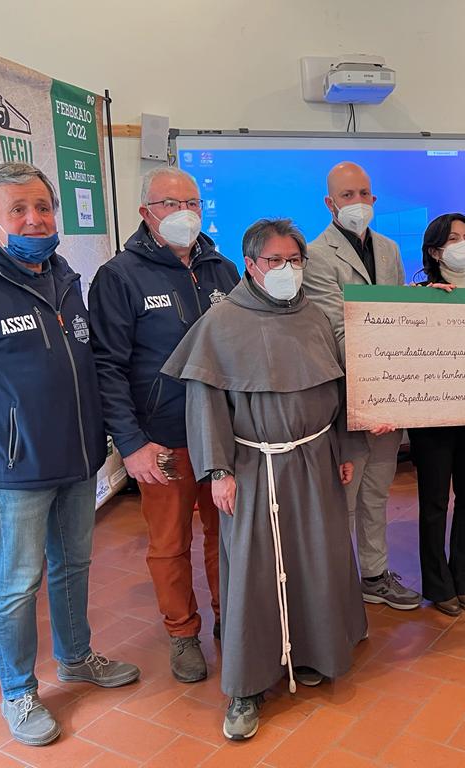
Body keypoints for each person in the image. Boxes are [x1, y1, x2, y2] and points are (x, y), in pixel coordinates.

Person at [0, 162, 139, 746]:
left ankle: (76, 658)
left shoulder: (65, 279)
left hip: (79, 460)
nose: (34, 219)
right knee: (19, 583)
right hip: (17, 470)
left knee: (74, 567)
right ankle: (19, 691)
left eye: (43, 207)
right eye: (18, 209)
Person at [162, 218, 367, 740]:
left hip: (316, 457)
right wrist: (219, 471)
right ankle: (246, 686)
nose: (286, 270)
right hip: (256, 466)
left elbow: (337, 388)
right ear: (250, 264)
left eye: (294, 261)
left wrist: (344, 447)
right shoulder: (221, 323)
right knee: (253, 571)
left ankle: (314, 651)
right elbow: (205, 403)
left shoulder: (315, 316)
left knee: (317, 557)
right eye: (274, 260)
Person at [89, 167, 239, 683]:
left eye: (192, 203)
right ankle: (182, 633)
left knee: (227, 535)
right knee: (170, 544)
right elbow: (107, 367)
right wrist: (131, 444)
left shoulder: (222, 269)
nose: (184, 214)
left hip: (221, 435)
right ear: (145, 213)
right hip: (163, 440)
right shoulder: (119, 276)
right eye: (170, 204)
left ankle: (230, 619)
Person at [303, 162, 421, 611]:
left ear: (374, 198)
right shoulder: (315, 255)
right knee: (345, 498)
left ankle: (374, 574)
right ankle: (334, 587)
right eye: (347, 195)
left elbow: (399, 315)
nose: (358, 202)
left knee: (377, 491)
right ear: (329, 203)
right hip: (349, 398)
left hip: (389, 398)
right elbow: (337, 329)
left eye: (364, 193)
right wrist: (380, 379)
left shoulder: (390, 249)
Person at [407, 213, 465, 616]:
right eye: (452, 239)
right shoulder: (417, 294)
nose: (463, 245)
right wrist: (422, 303)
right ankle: (438, 584)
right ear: (434, 251)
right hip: (432, 415)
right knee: (435, 502)